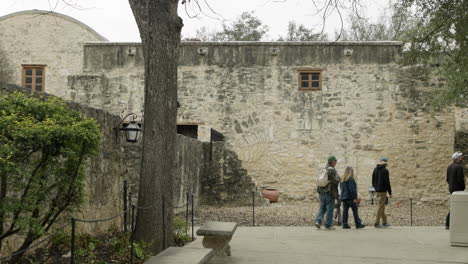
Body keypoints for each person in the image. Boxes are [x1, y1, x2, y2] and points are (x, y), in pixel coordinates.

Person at [315, 156, 340, 230]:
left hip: (321, 192)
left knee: (322, 207)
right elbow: (336, 181)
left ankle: (318, 221)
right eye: (335, 161)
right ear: (332, 162)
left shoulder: (324, 169)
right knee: (330, 209)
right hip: (329, 192)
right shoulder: (332, 170)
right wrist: (338, 178)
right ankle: (328, 225)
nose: (336, 163)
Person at [446, 151, 465, 230]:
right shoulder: (459, 167)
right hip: (458, 189)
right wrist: (463, 187)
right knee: (457, 207)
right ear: (457, 158)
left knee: (454, 206)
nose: (462, 157)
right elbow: (460, 179)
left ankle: (448, 224)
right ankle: (450, 223)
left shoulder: (449, 166)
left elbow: (447, 179)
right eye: (461, 156)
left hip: (452, 189)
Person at [372, 157, 392, 228]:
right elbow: (387, 183)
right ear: (386, 163)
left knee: (382, 206)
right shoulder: (385, 171)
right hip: (383, 191)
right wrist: (390, 192)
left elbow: (373, 180)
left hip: (377, 191)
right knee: (380, 206)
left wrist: (375, 188)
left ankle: (384, 222)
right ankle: (376, 223)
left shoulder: (375, 169)